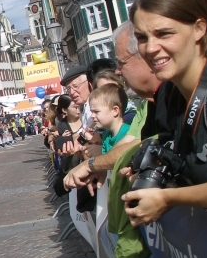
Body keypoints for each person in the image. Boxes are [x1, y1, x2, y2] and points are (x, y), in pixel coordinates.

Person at [122, 0, 207, 225]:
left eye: (164, 33)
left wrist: (169, 198)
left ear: (199, 28)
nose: (151, 48)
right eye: (142, 38)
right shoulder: (167, 94)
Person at [65, 21, 161, 193]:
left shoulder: (140, 108)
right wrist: (99, 164)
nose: (118, 71)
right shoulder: (146, 102)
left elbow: (137, 145)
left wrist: (93, 163)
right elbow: (131, 142)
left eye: (122, 62)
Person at [88, 84, 130, 155]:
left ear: (115, 111)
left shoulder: (128, 133)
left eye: (96, 111)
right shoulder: (107, 136)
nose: (92, 116)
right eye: (92, 112)